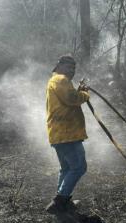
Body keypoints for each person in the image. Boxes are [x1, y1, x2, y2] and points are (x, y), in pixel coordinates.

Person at [45, 55, 90, 214]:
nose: (72, 70)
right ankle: (59, 202)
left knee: (66, 168)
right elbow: (72, 98)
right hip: (67, 134)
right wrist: (85, 94)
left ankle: (62, 200)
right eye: (69, 66)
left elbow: (68, 97)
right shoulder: (61, 80)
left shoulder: (56, 81)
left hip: (60, 134)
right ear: (59, 66)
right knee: (79, 167)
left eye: (74, 68)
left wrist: (78, 92)